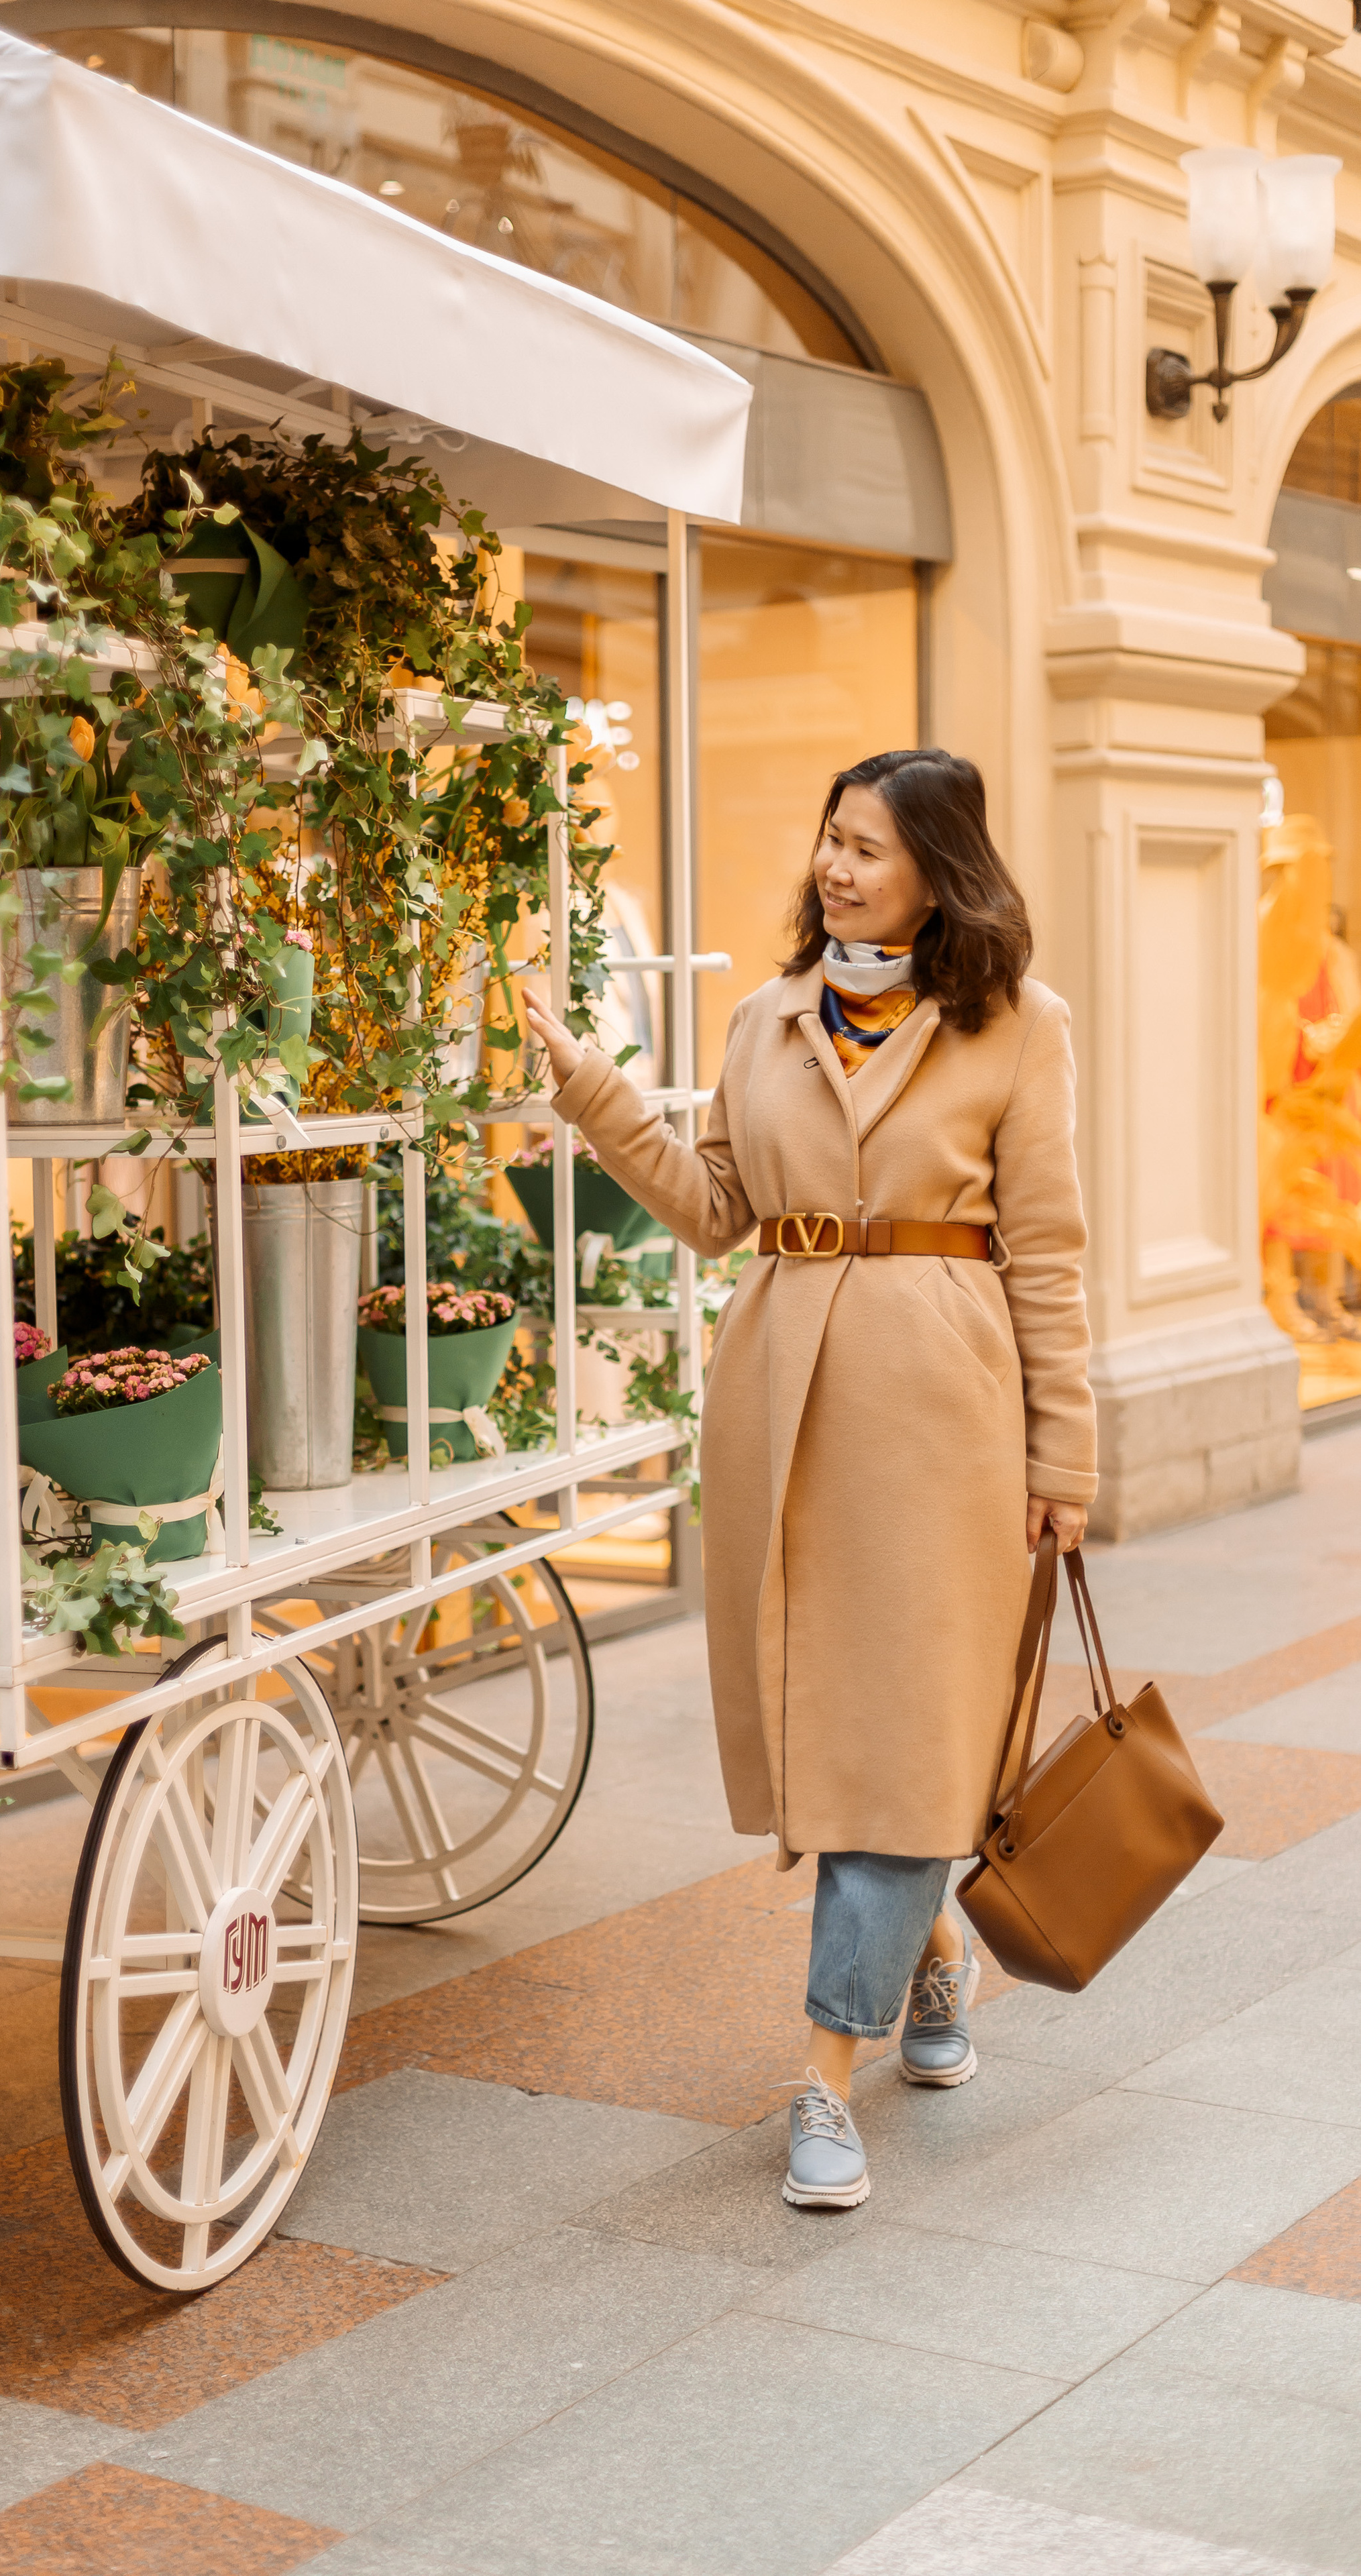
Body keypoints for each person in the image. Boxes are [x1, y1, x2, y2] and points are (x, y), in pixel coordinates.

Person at [523, 747, 1096, 2212]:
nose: (836, 868)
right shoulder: (763, 1018)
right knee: (843, 1731)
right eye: (830, 840)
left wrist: (1064, 1454)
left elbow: (1046, 1254)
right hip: (781, 1413)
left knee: (906, 1738)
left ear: (938, 875)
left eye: (869, 848)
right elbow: (714, 1210)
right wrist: (587, 1086)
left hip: (941, 1423)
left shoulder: (1018, 1026)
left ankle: (825, 2074)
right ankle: (934, 1954)